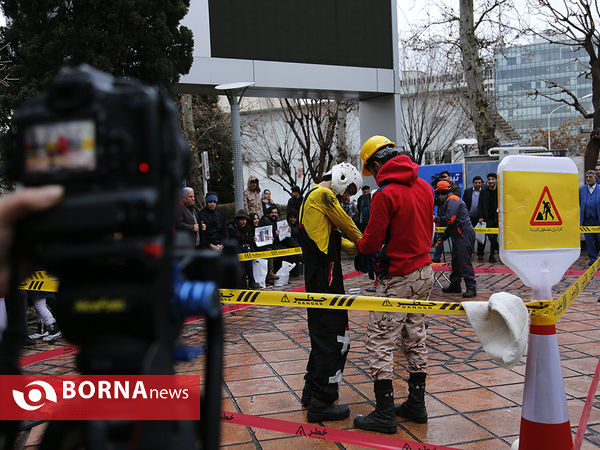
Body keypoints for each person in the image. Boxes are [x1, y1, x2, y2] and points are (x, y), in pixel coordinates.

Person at [352, 135, 434, 434]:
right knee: (416, 336)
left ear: (376, 164)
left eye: (371, 172)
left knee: (380, 341)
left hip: (398, 277)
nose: (372, 178)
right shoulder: (425, 186)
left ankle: (384, 414)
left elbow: (370, 241)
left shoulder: (385, 195)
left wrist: (357, 244)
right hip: (425, 272)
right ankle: (416, 405)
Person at [298, 162, 363, 423]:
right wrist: (367, 242)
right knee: (334, 337)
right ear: (341, 177)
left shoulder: (314, 200)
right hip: (325, 280)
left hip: (322, 277)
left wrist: (363, 248)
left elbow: (340, 241)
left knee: (323, 334)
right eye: (348, 190)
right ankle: (322, 402)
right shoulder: (322, 195)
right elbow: (348, 225)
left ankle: (311, 391)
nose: (346, 197)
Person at [435, 180, 477, 298]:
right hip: (459, 236)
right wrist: (443, 237)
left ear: (440, 193)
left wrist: (435, 219)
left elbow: (449, 220)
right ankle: (455, 285)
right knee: (456, 261)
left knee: (464, 262)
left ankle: (471, 287)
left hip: (464, 235)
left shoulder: (452, 200)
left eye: (437, 194)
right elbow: (451, 225)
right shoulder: (450, 200)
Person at [228, 209, 260, 289]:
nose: (243, 222)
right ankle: (251, 281)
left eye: (245, 220)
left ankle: (251, 281)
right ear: (238, 220)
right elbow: (233, 243)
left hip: (245, 250)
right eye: (241, 220)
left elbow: (249, 241)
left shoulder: (247, 229)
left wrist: (252, 251)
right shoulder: (232, 228)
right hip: (234, 251)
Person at [579, 170, 600, 265]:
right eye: (586, 177)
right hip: (587, 219)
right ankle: (593, 260)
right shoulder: (581, 190)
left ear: (595, 178)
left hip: (598, 219)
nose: (588, 179)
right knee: (589, 240)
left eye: (590, 177)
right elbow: (580, 202)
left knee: (598, 239)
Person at [463, 176, 485, 260]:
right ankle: (470, 252)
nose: (477, 184)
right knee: (469, 236)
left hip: (480, 218)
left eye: (479, 182)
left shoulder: (484, 192)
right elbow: (464, 204)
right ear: (473, 183)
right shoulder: (467, 192)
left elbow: (485, 205)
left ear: (481, 183)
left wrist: (482, 216)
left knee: (481, 236)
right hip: (469, 217)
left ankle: (480, 253)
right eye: (476, 182)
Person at [478, 173, 499, 262]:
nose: (490, 181)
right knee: (491, 237)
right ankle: (500, 252)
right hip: (488, 218)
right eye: (489, 179)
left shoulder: (500, 191)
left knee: (495, 236)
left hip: (499, 218)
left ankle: (491, 255)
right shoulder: (484, 191)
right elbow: (480, 204)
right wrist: (480, 216)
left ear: (496, 180)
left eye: (492, 179)